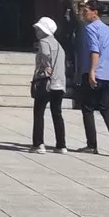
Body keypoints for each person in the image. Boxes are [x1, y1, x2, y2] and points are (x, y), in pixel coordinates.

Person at [78, 0, 109, 157]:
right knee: (106, 108)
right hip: (108, 76)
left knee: (88, 108)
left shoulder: (91, 28)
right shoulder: (108, 30)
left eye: (86, 10)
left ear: (94, 13)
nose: (83, 13)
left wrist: (92, 71)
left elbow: (94, 51)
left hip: (95, 74)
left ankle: (92, 145)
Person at [29, 16, 66, 153]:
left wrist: (46, 66)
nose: (37, 31)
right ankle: (61, 145)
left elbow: (45, 54)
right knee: (57, 113)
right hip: (59, 84)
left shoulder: (44, 42)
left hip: (46, 82)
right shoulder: (59, 45)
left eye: (38, 29)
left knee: (39, 113)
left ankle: (39, 144)